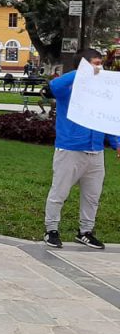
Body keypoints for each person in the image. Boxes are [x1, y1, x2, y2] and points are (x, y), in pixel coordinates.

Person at [43, 49, 120, 250]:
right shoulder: (68, 89)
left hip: (96, 152)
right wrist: (82, 72)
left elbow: (107, 120)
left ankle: (85, 232)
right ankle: (51, 230)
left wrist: (117, 143)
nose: (99, 68)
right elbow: (53, 85)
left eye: (101, 64)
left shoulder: (102, 93)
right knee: (59, 192)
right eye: (95, 64)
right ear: (83, 66)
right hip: (70, 150)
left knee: (92, 196)